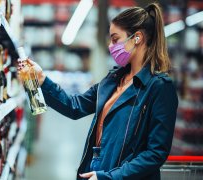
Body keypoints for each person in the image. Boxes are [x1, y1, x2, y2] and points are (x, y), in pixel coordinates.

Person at [18, 2, 178, 180]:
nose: (111, 45)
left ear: (137, 38)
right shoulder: (113, 80)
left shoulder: (159, 88)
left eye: (115, 39)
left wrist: (109, 177)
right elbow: (74, 106)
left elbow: (155, 154)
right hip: (98, 168)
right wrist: (42, 80)